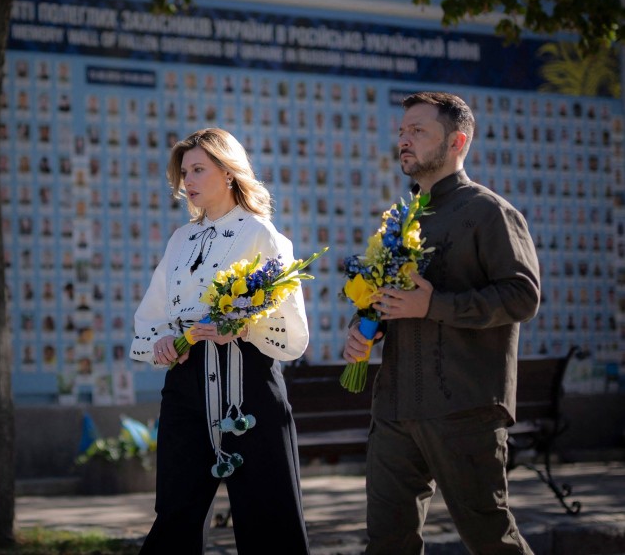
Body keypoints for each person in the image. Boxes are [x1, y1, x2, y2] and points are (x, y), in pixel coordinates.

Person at [342, 92, 540, 555]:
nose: (404, 140)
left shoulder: (490, 212)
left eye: (418, 131)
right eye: (402, 132)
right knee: (387, 543)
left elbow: (522, 296)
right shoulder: (402, 217)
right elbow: (394, 298)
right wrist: (365, 327)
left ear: (457, 141)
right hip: (394, 406)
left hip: (464, 405)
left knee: (491, 540)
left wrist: (434, 306)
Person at [131, 128, 311, 554]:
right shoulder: (180, 240)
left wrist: (243, 328)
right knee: (176, 512)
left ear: (228, 172)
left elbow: (294, 331)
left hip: (249, 385)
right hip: (185, 386)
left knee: (268, 515)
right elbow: (153, 314)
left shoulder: (261, 234)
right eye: (183, 172)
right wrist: (162, 342)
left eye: (198, 169)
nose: (187, 181)